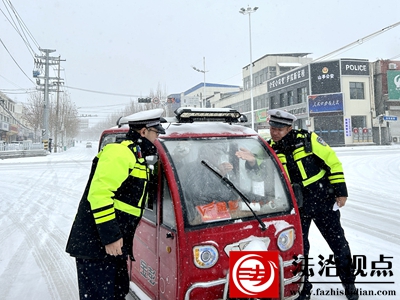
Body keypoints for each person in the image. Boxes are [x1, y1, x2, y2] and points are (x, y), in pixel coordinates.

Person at [236, 109, 358, 300]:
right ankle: (302, 288)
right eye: (272, 128)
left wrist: (341, 192)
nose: (274, 132)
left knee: (338, 244)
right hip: (296, 206)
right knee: (300, 249)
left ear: (289, 128)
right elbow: (258, 175)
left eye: (279, 129)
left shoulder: (308, 140)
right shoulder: (269, 149)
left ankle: (349, 284)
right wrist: (252, 162)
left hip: (322, 201)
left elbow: (334, 163)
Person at [65, 108, 165, 300]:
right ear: (143, 131)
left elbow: (142, 192)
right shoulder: (120, 153)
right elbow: (99, 195)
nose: (158, 137)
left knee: (117, 291)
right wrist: (110, 237)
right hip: (97, 244)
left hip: (113, 246)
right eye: (156, 132)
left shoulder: (138, 158)